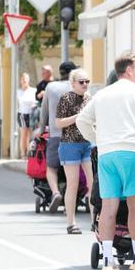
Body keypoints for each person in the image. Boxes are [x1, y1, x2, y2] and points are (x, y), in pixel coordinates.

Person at [76, 52, 135, 270]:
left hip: (107, 155)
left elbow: (81, 121)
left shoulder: (102, 94)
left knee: (108, 207)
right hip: (131, 152)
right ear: (129, 69)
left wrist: (98, 140)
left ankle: (108, 260)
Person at [55, 68, 93, 234]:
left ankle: (96, 221)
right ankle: (71, 223)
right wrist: (77, 117)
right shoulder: (66, 98)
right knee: (73, 184)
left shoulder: (90, 99)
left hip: (87, 144)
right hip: (70, 144)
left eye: (87, 81)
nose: (85, 84)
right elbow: (59, 123)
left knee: (93, 184)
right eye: (81, 82)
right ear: (73, 83)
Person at [38, 61, 76, 214]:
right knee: (76, 167)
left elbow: (44, 111)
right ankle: (81, 194)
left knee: (51, 167)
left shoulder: (51, 87)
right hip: (75, 135)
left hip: (55, 134)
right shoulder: (78, 86)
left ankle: (55, 192)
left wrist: (41, 130)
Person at [17, 73, 37, 159]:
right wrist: (30, 102)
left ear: (29, 80)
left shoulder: (33, 90)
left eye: (26, 79)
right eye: (23, 79)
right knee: (23, 133)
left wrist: (33, 104)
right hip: (22, 113)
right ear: (20, 81)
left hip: (31, 114)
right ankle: (23, 154)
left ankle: (29, 153)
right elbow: (22, 101)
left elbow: (35, 101)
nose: (24, 81)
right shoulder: (19, 91)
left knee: (30, 134)